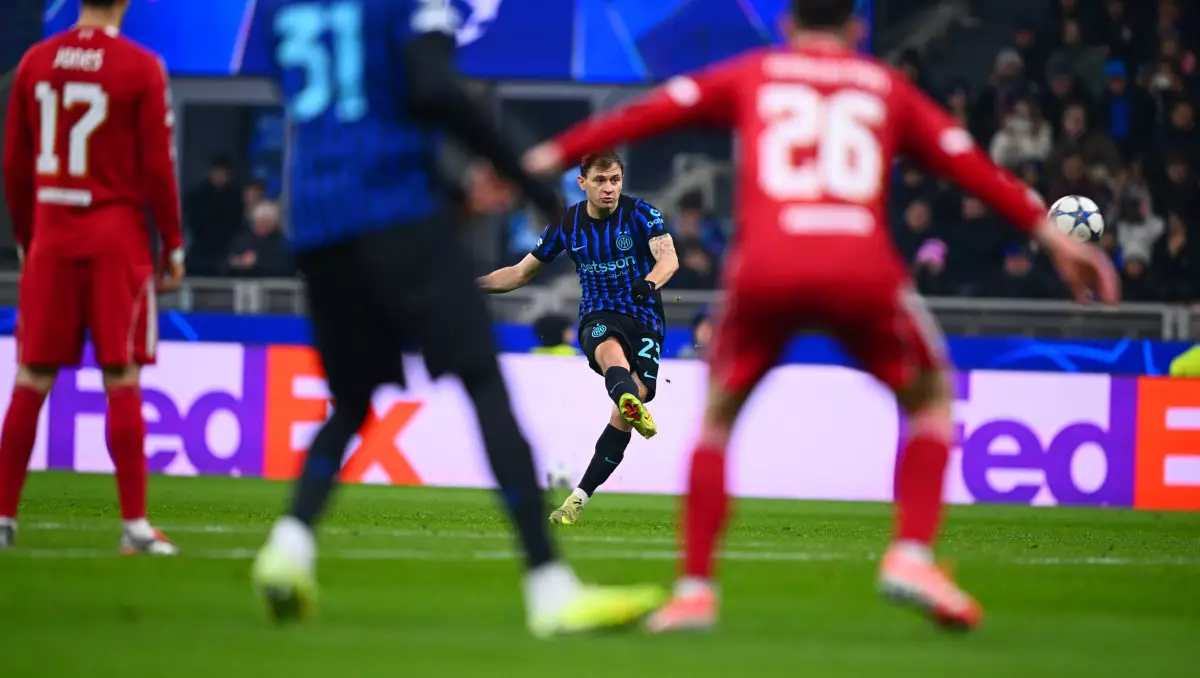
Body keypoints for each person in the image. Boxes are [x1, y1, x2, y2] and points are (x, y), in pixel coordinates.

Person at [522, 0, 1120, 633]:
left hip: (766, 266)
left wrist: (539, 159)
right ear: (857, 29)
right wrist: (1050, 236)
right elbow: (966, 161)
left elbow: (653, 111)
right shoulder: (883, 86)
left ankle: (696, 590)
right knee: (930, 400)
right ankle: (912, 556)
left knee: (717, 421)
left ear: (788, 25)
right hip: (859, 264)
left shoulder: (756, 72)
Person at [235, 0, 660, 635]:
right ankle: (550, 587)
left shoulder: (281, 11)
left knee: (352, 400)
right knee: (483, 381)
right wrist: (529, 183)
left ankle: (288, 545)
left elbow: (345, 111)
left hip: (319, 228)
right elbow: (433, 88)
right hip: (400, 218)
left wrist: (458, 195)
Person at [0, 0, 185, 553]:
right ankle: (134, 527)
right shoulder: (141, 67)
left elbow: (13, 163)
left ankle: (2, 519)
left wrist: (29, 237)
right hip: (115, 240)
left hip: (52, 236)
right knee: (121, 375)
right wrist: (173, 243)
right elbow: (159, 167)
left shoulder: (36, 61)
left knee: (31, 378)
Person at [477, 152, 679, 525]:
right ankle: (627, 398)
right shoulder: (566, 224)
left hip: (645, 319)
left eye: (615, 180)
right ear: (582, 183)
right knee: (612, 356)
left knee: (628, 406)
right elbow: (520, 273)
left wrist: (650, 282)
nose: (609, 188)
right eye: (600, 181)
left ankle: (578, 498)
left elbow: (669, 260)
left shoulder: (641, 214)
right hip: (598, 315)